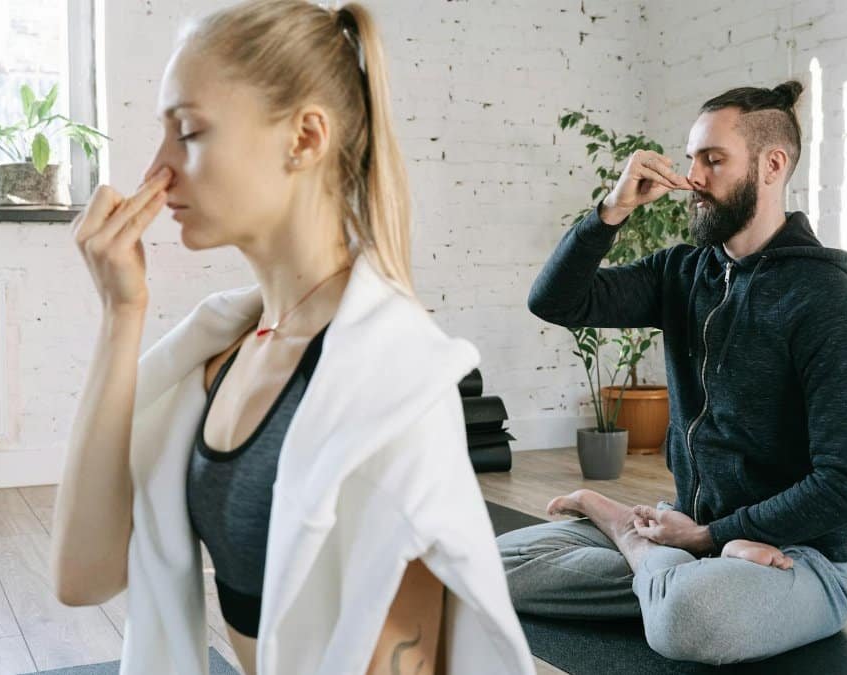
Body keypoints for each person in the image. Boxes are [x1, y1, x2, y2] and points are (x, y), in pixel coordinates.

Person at [49, 2, 535, 673]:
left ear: (305, 137)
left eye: (187, 132)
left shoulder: (393, 383)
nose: (156, 170)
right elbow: (83, 575)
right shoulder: (225, 352)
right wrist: (120, 313)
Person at [498, 80, 847, 665]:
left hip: (797, 561)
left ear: (772, 165)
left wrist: (712, 536)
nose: (692, 178)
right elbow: (555, 301)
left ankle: (637, 547)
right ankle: (661, 568)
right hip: (688, 534)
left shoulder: (826, 302)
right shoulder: (680, 272)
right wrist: (614, 210)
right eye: (690, 160)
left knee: (689, 617)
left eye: (713, 159)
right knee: (489, 567)